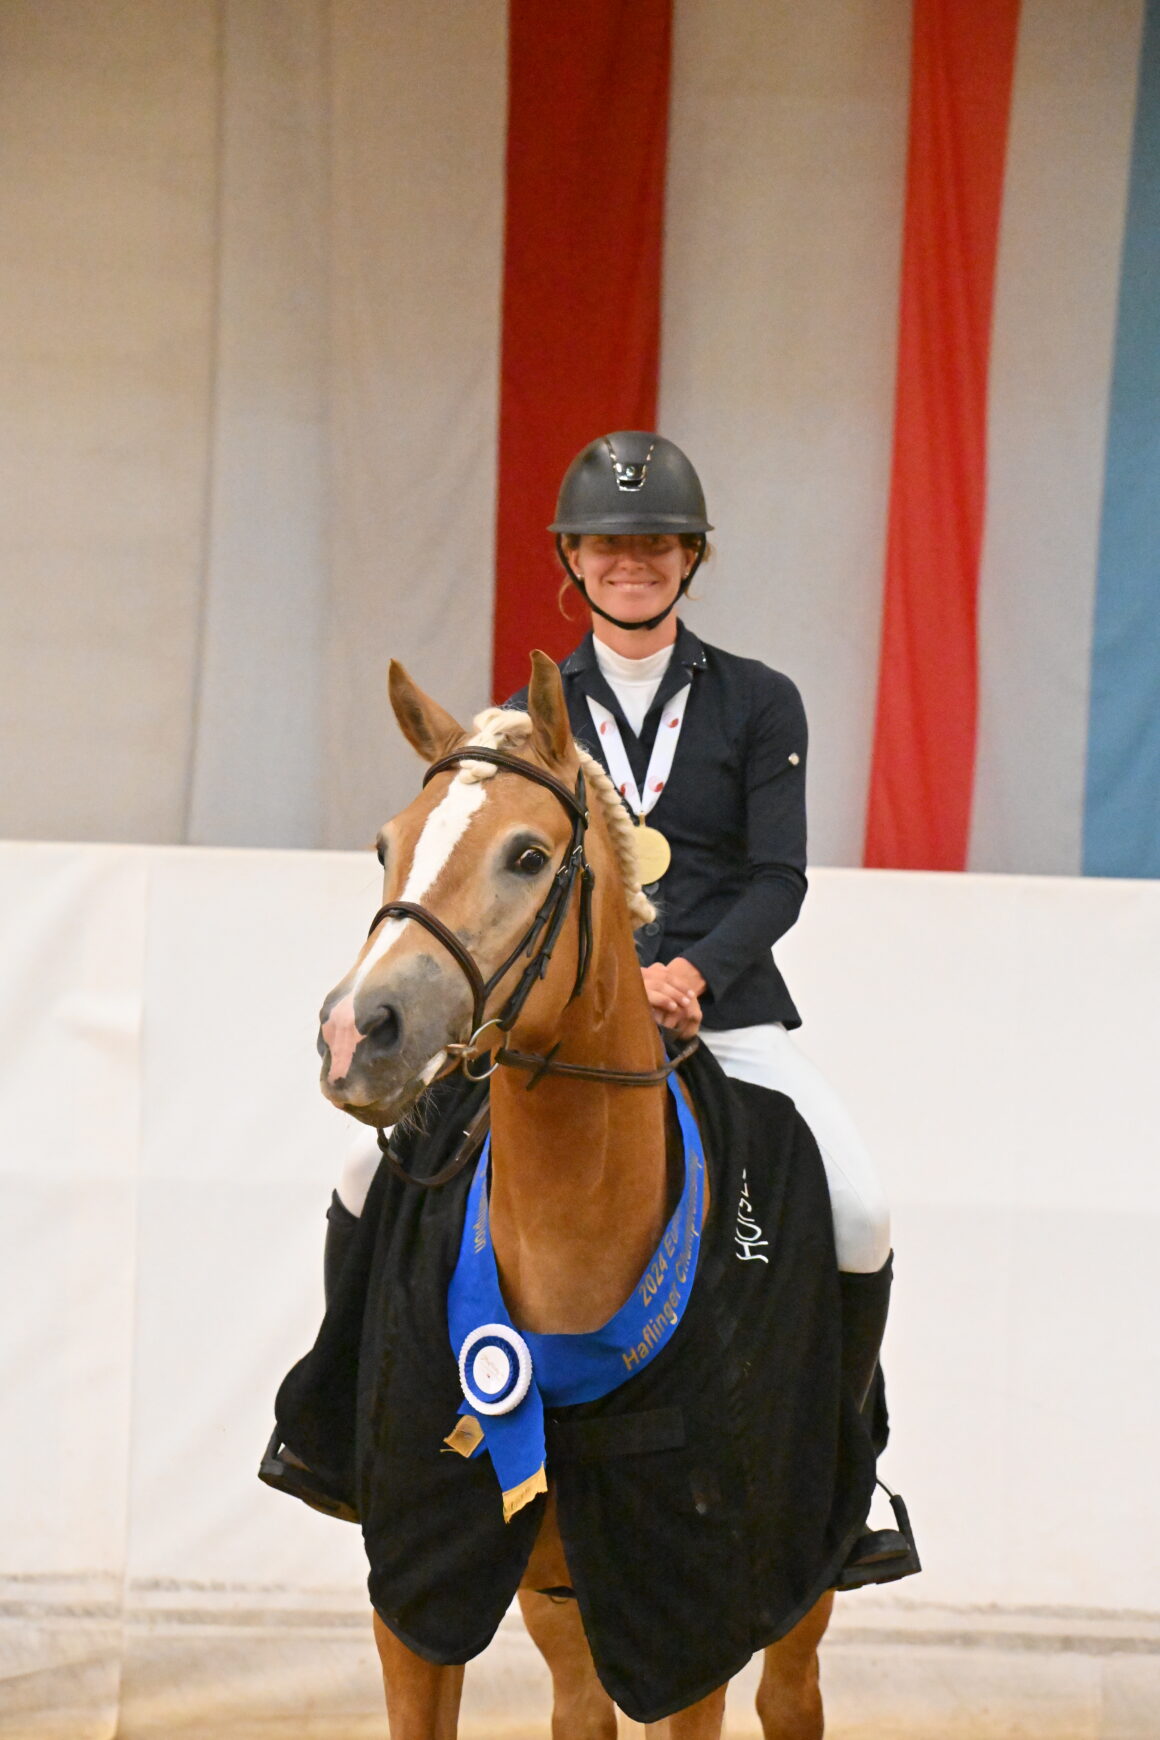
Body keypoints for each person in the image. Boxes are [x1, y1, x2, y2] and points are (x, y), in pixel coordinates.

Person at [265, 431, 914, 1583]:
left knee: (856, 1210)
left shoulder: (760, 704)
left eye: (656, 542)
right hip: (555, 1025)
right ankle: (334, 1434)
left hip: (723, 1015)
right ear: (572, 558)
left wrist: (690, 973)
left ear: (689, 559)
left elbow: (778, 879)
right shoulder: (520, 717)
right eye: (610, 545)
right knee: (366, 1176)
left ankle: (843, 1478)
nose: (633, 562)